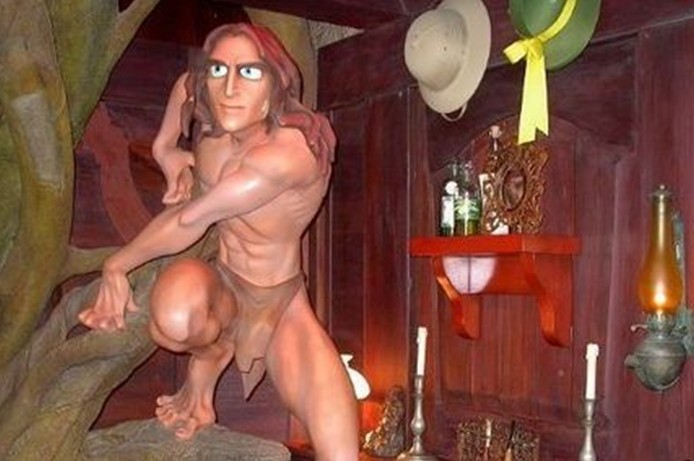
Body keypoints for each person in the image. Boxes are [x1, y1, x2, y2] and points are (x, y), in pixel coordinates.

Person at [78, 23, 359, 460]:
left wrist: (117, 265)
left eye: (249, 72)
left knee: (340, 453)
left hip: (279, 300)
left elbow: (190, 219)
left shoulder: (286, 154)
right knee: (172, 318)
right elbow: (184, 86)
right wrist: (166, 150)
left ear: (275, 84)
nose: (229, 88)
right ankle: (214, 351)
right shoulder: (211, 108)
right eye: (218, 70)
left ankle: (209, 368)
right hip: (224, 283)